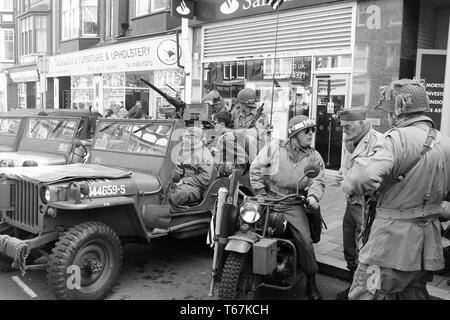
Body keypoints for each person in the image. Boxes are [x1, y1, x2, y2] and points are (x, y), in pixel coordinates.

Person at [343, 79, 450, 300]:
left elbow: (358, 180)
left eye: (390, 111)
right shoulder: (445, 141)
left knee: (366, 292)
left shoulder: (397, 138)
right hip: (427, 240)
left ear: (399, 110)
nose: (389, 116)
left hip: (390, 241)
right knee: (411, 293)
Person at [249, 115, 325, 300]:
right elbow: (257, 169)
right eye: (306, 131)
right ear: (294, 134)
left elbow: (318, 180)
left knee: (305, 241)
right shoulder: (274, 148)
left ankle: (311, 282)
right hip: (269, 199)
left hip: (293, 202)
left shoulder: (313, 156)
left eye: (312, 130)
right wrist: (260, 193)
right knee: (247, 227)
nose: (311, 134)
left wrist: (313, 197)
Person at [334, 107, 382, 300]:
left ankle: (369, 292)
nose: (344, 131)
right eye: (342, 127)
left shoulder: (378, 142)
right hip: (350, 203)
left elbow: (375, 177)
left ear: (361, 123)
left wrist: (349, 180)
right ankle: (353, 285)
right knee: (349, 248)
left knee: (367, 252)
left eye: (347, 127)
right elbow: (347, 167)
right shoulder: (350, 140)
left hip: (366, 207)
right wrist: (341, 175)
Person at [169, 127, 215, 207]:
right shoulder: (184, 149)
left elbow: (204, 179)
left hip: (195, 187)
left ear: (198, 139)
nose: (185, 140)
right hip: (179, 180)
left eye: (189, 137)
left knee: (175, 195)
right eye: (184, 136)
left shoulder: (205, 155)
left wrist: (183, 181)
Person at [212, 110, 257, 176]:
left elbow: (243, 158)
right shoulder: (229, 134)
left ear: (222, 124)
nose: (214, 126)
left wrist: (235, 175)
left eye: (215, 123)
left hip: (228, 175)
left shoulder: (226, 138)